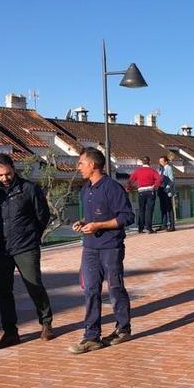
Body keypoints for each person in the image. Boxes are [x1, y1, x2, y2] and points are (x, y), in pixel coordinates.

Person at [0, 153, 55, 349]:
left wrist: (32, 236)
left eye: (7, 173)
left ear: (13, 169)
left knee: (34, 285)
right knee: (3, 292)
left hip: (25, 246)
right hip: (0, 249)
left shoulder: (29, 188)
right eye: (0, 175)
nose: (5, 178)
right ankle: (10, 332)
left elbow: (43, 215)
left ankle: (46, 323)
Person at [70, 148, 136, 354]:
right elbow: (92, 219)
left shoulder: (112, 188)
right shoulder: (85, 190)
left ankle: (123, 329)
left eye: (81, 163)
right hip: (90, 247)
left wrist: (99, 226)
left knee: (115, 289)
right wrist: (83, 223)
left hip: (111, 247)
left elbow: (127, 217)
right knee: (90, 290)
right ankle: (91, 336)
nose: (78, 167)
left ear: (93, 165)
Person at [126, 156, 162, 234]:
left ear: (142, 162)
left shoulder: (138, 171)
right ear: (149, 162)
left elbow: (130, 180)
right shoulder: (153, 171)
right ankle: (149, 228)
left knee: (141, 210)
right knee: (149, 210)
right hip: (150, 191)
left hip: (141, 192)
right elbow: (159, 179)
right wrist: (155, 186)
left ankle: (140, 228)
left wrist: (128, 188)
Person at [157, 156, 176, 232]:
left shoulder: (169, 168)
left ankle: (172, 225)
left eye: (162, 161)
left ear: (166, 161)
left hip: (167, 190)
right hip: (161, 189)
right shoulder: (160, 168)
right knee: (163, 208)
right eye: (159, 161)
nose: (160, 162)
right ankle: (164, 224)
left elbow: (171, 179)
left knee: (169, 208)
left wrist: (167, 188)